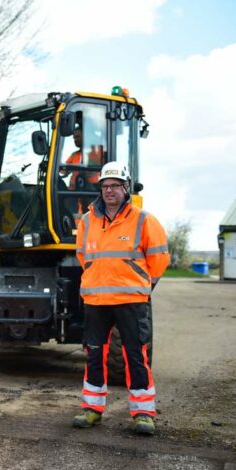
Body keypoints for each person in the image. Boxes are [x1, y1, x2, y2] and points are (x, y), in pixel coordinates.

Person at [72, 162, 169, 435]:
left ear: (126, 188)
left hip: (131, 300)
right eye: (105, 186)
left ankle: (143, 413)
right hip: (96, 302)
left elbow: (159, 259)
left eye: (115, 185)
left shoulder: (143, 219)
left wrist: (139, 282)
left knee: (136, 356)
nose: (110, 191)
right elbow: (83, 256)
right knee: (94, 355)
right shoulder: (88, 221)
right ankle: (91, 409)